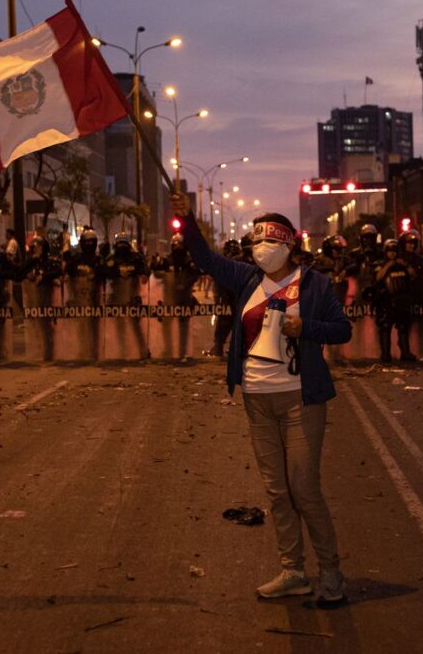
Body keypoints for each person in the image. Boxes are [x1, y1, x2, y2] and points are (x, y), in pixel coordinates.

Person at [171, 191, 351, 604]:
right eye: (255, 243)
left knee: (304, 488)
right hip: (257, 399)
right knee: (277, 491)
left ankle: (331, 573)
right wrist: (189, 220)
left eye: (268, 242)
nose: (260, 250)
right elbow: (206, 259)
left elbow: (342, 331)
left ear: (289, 245)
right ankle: (293, 571)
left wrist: (305, 327)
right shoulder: (245, 279)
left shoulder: (315, 285)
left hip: (301, 399)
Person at [375, 238, 418, 362]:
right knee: (385, 327)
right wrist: (388, 266)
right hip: (387, 300)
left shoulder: (402, 263)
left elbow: (413, 274)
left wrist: (405, 265)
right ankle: (386, 354)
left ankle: (405, 352)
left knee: (403, 327)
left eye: (395, 251)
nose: (392, 254)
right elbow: (378, 277)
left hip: (402, 299)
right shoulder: (381, 264)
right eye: (390, 251)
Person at [210, 239, 241, 357]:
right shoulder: (241, 262)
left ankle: (219, 349)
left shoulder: (226, 263)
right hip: (234, 300)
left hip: (229, 300)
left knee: (223, 328)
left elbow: (217, 283)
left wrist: (217, 299)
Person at [314, 235, 349, 305]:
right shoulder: (320, 259)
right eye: (337, 249)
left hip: (340, 295)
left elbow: (354, 264)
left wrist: (346, 269)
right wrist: (330, 268)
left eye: (340, 249)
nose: (340, 252)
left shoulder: (341, 259)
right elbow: (314, 268)